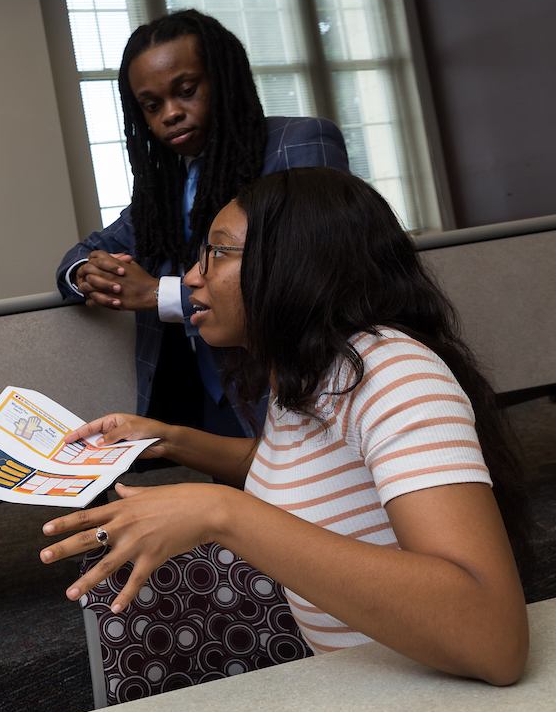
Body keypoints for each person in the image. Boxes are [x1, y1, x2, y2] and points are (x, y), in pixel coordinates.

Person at [42, 167, 534, 685]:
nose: (191, 276)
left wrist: (220, 511)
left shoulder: (393, 373)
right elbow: (306, 470)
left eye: (217, 252)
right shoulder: (314, 369)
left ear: (293, 266)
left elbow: (493, 641)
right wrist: (169, 440)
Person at [57, 10, 349, 439]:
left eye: (186, 91)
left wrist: (159, 293)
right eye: (152, 106)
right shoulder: (164, 191)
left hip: (297, 390)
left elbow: (307, 274)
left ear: (223, 79)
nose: (170, 114)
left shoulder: (299, 144)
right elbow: (82, 253)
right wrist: (87, 273)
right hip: (218, 400)